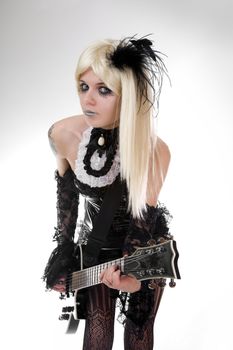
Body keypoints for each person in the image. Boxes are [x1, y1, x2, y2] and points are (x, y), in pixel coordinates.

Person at [43, 35, 174, 350]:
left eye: (104, 90)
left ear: (127, 95)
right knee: (98, 331)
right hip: (96, 249)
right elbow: (67, 200)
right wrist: (65, 255)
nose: (88, 100)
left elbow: (143, 220)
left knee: (139, 333)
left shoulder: (154, 151)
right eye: (83, 87)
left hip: (144, 252)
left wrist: (132, 278)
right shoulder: (63, 134)